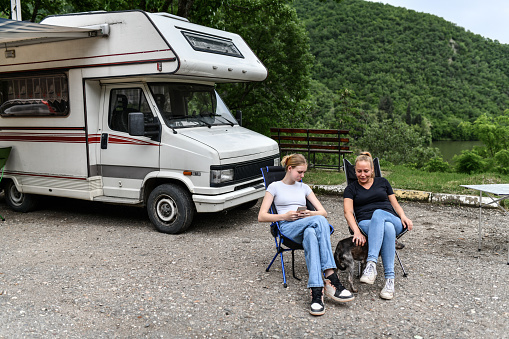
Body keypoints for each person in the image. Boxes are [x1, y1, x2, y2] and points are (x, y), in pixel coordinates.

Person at [258, 153, 354, 316]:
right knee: (319, 221)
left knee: (311, 232)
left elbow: (323, 212)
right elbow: (261, 216)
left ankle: (316, 292)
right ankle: (331, 277)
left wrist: (309, 213)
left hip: (307, 225)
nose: (302, 176)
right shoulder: (274, 187)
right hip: (288, 228)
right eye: (300, 172)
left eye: (304, 173)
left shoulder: (304, 188)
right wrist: (284, 216)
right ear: (290, 168)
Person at [343, 152, 413, 300]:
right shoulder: (351, 189)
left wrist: (404, 216)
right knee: (386, 228)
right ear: (354, 171)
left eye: (366, 171)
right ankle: (389, 281)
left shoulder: (383, 182)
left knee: (379, 214)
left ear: (372, 170)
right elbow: (348, 212)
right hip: (366, 224)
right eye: (359, 171)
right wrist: (356, 231)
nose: (362, 174)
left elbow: (395, 204)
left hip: (392, 219)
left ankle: (371, 263)